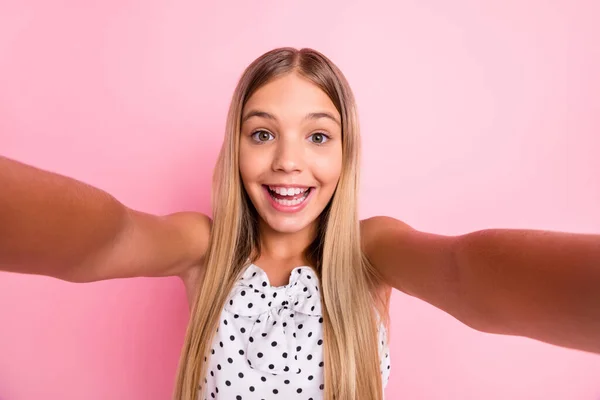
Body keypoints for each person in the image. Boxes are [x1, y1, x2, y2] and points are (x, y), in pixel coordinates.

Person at [1, 47, 598, 400]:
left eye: (317, 136)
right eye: (263, 134)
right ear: (234, 148)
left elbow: (467, 272)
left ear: (346, 152)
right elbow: (108, 236)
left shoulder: (373, 251)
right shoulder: (202, 248)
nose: (288, 160)